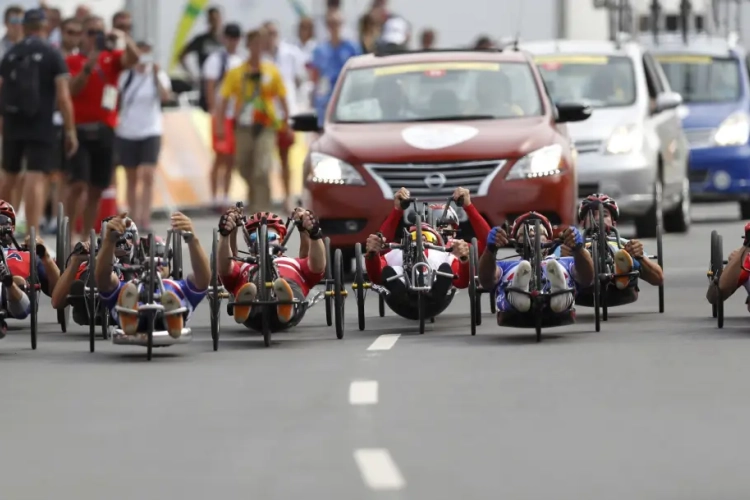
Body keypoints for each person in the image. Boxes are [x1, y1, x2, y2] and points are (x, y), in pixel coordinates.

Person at [0, 8, 78, 236]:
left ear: (24, 26)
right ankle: (32, 236)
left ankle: (3, 230)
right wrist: (71, 131)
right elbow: (63, 97)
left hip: (13, 122)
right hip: (41, 123)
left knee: (9, 175)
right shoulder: (52, 54)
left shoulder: (12, 53)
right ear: (45, 27)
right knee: (36, 176)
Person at [65, 15, 139, 240]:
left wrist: (123, 36)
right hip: (79, 128)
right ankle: (68, 233)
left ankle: (87, 235)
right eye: (91, 33)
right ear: (82, 36)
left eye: (99, 32)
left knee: (97, 187)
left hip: (105, 129)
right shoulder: (72, 61)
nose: (95, 37)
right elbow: (73, 90)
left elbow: (134, 58)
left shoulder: (112, 58)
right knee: (77, 184)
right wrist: (91, 61)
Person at [95, 212, 210, 338]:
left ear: (169, 265)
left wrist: (193, 240)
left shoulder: (177, 286)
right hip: (132, 308)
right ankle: (131, 316)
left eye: (160, 255)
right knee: (125, 290)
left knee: (173, 293)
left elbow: (203, 279)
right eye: (147, 257)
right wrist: (109, 241)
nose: (154, 261)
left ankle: (172, 315)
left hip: (170, 307)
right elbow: (102, 279)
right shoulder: (128, 286)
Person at [217, 28, 289, 213]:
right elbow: (224, 98)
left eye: (261, 44)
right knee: (243, 165)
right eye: (254, 43)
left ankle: (262, 208)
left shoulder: (271, 71)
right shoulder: (237, 72)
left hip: (266, 125)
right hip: (243, 125)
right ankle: (255, 197)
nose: (258, 48)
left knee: (262, 169)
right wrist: (220, 124)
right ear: (248, 46)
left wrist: (286, 121)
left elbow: (282, 97)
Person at [216, 207, 326, 331]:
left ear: (281, 239)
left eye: (271, 236)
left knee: (287, 286)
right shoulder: (244, 265)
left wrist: (314, 233)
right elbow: (225, 269)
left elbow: (317, 267)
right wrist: (226, 234)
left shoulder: (294, 263)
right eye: (253, 238)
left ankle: (286, 304)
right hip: (253, 312)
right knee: (250, 285)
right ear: (249, 244)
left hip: (291, 304)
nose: (263, 241)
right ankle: (245, 305)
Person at [477, 212, 595, 322]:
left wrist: (578, 248)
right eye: (524, 233)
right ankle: (519, 292)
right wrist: (490, 249)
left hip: (558, 299)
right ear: (516, 242)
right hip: (515, 298)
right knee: (520, 269)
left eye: (540, 232)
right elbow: (487, 281)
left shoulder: (564, 262)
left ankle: (559, 293)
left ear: (549, 240)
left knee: (557, 268)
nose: (532, 234)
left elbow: (587, 278)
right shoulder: (506, 266)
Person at [364, 216, 470, 320]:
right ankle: (403, 295)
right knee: (388, 271)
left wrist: (464, 259)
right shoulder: (395, 253)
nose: (421, 239)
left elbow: (462, 282)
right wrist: (373, 254)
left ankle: (433, 295)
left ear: (437, 241)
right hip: (403, 303)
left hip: (434, 302)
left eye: (428, 236)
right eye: (415, 236)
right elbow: (376, 278)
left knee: (445, 268)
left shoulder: (446, 255)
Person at [116, 41, 172, 233]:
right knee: (131, 177)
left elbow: (166, 97)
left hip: (151, 130)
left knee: (148, 175)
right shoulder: (126, 76)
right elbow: (115, 99)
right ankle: (132, 216)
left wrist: (156, 74)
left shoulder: (158, 75)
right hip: (127, 130)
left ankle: (145, 216)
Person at [565, 193, 663, 292]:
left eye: (604, 215)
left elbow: (658, 278)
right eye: (592, 215)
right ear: (583, 223)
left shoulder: (625, 243)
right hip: (583, 283)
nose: (598, 219)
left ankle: (622, 269)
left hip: (618, 285)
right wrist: (564, 257)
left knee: (623, 252)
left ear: (613, 222)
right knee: (568, 258)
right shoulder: (571, 243)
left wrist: (640, 257)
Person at [51, 215, 138, 325]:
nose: (120, 241)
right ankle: (92, 303)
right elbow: (56, 302)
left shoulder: (140, 264)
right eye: (115, 236)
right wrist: (76, 261)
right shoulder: (88, 262)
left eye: (125, 236)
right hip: (90, 309)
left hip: (131, 306)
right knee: (77, 285)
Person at [263, 20, 307, 213]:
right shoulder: (259, 57)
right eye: (267, 33)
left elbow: (299, 80)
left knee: (284, 157)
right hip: (264, 115)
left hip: (283, 113)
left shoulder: (290, 53)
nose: (271, 37)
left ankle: (287, 196)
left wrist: (293, 105)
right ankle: (267, 197)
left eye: (273, 33)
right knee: (263, 160)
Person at [0, 200, 60, 337]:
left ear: (11, 226)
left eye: (1, 219)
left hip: (15, 296)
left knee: (19, 282)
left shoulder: (26, 255)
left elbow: (57, 291)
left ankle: (9, 284)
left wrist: (44, 256)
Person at [377, 187, 491, 253]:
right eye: (430, 224)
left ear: (454, 232)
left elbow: (489, 244)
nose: (435, 230)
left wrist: (468, 206)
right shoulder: (406, 248)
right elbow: (381, 246)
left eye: (443, 224)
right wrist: (397, 210)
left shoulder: (459, 249)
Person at [203, 23, 243, 211]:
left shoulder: (240, 61)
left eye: (236, 37)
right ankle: (213, 197)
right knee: (219, 156)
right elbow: (210, 87)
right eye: (230, 37)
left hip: (234, 114)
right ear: (224, 38)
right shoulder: (216, 59)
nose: (233, 41)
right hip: (220, 114)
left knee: (231, 158)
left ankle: (225, 196)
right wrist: (214, 113)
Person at [310, 10, 361, 128]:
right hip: (326, 99)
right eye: (331, 24)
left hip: (348, 97)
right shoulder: (320, 50)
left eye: (337, 23)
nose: (334, 27)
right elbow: (315, 76)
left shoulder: (352, 48)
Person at [179, 6, 223, 113]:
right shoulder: (201, 40)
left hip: (222, 84)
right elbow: (182, 56)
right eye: (211, 19)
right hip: (206, 85)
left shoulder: (224, 40)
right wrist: (192, 75)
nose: (214, 23)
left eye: (216, 19)